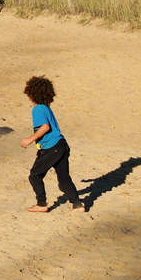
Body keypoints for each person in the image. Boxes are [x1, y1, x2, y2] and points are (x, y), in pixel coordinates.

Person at [20, 75, 86, 213]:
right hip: (61, 145)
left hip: (52, 147)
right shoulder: (46, 108)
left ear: (32, 93)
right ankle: (77, 204)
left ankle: (41, 203)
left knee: (35, 176)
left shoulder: (37, 109)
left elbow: (45, 127)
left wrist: (29, 139)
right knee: (63, 180)